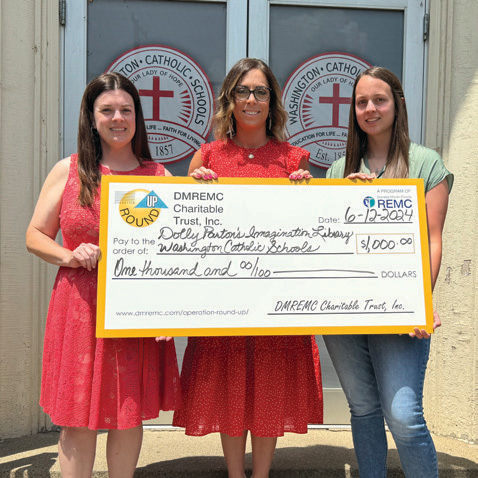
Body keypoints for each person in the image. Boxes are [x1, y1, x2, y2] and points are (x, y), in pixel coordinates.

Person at [172, 58, 323, 478]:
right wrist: (194, 190)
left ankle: (262, 474)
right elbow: (186, 233)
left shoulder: (296, 158)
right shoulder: (207, 156)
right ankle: (236, 474)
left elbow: (308, 233)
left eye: (260, 91)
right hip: (223, 299)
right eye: (243, 91)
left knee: (270, 381)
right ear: (229, 100)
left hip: (275, 299)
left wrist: (306, 196)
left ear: (272, 100)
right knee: (229, 382)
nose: (251, 99)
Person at [26, 72, 181, 478]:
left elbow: (175, 252)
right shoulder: (69, 169)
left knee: (127, 413)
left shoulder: (158, 176)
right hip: (80, 309)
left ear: (137, 117)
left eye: (126, 110)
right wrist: (69, 254)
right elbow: (33, 236)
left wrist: (168, 312)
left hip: (135, 312)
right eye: (107, 110)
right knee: (77, 416)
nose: (117, 118)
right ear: (91, 117)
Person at [324, 66, 453, 477]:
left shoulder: (425, 163)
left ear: (397, 104)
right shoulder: (336, 169)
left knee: (403, 415)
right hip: (344, 310)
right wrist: (338, 193)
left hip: (398, 312)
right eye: (361, 102)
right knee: (362, 408)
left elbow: (433, 239)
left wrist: (421, 302)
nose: (370, 109)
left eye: (379, 100)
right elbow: (321, 238)